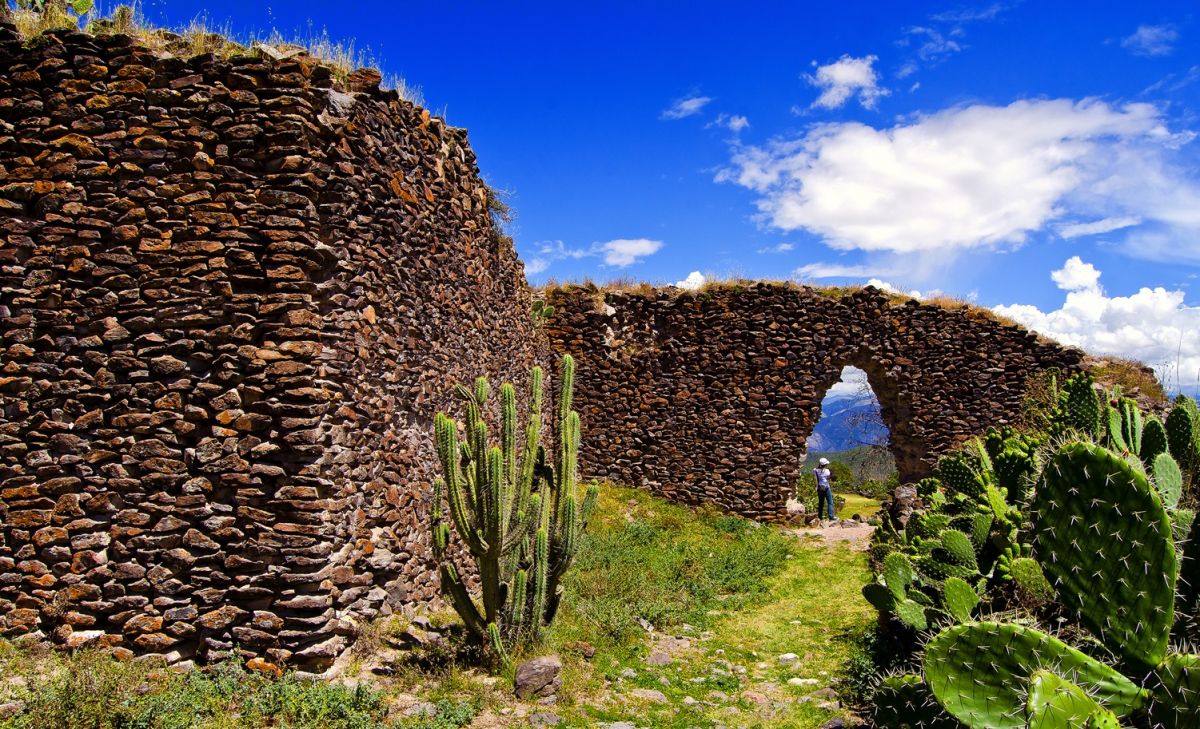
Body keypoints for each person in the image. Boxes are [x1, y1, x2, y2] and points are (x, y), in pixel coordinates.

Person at [814, 458, 836, 524]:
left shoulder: (815, 470)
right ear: (825, 464)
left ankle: (820, 517)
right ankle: (831, 516)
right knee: (830, 502)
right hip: (826, 487)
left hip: (819, 488)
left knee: (821, 503)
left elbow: (815, 478)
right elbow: (830, 478)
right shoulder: (827, 471)